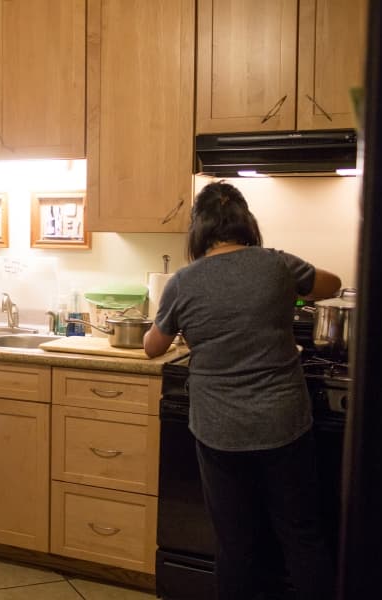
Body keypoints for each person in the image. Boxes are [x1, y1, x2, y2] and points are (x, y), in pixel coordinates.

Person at [143, 181, 342, 600]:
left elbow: (153, 347)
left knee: (236, 543)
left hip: (220, 428)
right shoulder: (277, 264)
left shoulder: (182, 282)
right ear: (246, 222)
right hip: (283, 422)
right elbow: (333, 285)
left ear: (199, 229)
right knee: (302, 536)